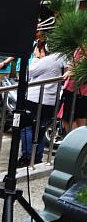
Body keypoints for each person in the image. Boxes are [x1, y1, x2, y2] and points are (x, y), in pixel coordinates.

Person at [19, 38, 66, 166]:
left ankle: (27, 157)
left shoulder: (49, 60)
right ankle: (37, 158)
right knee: (40, 129)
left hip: (36, 99)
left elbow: (30, 71)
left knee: (26, 127)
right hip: (50, 100)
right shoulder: (61, 59)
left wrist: (36, 57)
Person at [62, 47, 87, 132]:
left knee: (68, 120)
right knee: (80, 120)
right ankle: (80, 143)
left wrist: (74, 71)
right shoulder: (79, 45)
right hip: (78, 90)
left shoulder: (82, 46)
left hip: (75, 89)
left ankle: (75, 143)